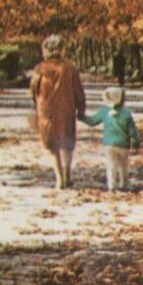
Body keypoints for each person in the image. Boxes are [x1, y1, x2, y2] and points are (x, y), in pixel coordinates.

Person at [30, 34, 86, 189]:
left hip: (46, 110)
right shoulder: (70, 68)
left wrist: (35, 102)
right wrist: (81, 109)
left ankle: (59, 178)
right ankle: (68, 174)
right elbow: (78, 91)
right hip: (66, 108)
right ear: (61, 50)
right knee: (67, 143)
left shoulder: (39, 69)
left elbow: (33, 88)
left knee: (52, 145)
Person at [83, 87, 140, 191]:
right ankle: (124, 184)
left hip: (109, 144)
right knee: (123, 166)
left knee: (111, 165)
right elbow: (133, 131)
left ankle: (112, 185)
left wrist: (82, 117)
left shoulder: (104, 112)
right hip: (124, 145)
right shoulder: (126, 114)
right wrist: (136, 142)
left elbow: (92, 121)